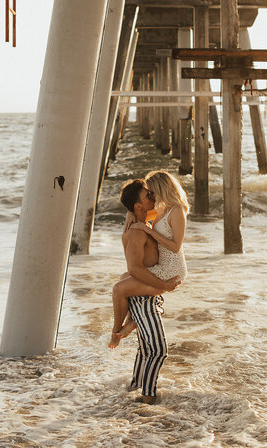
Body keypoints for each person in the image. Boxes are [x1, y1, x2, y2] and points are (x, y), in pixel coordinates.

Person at [109, 173, 189, 403]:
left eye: (153, 193)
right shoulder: (158, 212)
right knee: (125, 285)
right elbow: (139, 211)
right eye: (148, 195)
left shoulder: (175, 211)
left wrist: (147, 230)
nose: (152, 198)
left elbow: (174, 246)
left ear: (162, 190)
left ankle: (121, 331)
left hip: (170, 269)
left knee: (123, 288)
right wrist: (131, 214)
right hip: (161, 270)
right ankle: (143, 392)